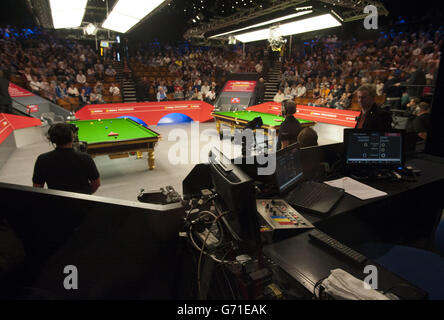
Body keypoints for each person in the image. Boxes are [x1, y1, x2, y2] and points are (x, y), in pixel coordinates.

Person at [32, 123, 100, 195]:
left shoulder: (42, 159)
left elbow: (37, 187)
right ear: (72, 137)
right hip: (82, 202)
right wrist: (85, 195)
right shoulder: (86, 158)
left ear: (52, 139)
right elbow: (96, 183)